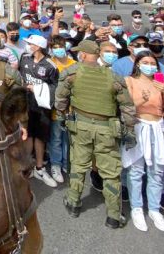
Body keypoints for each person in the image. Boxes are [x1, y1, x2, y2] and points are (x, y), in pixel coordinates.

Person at [55, 40, 137, 228]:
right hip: (107, 129)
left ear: (83, 55)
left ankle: (73, 202)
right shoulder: (113, 77)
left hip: (80, 127)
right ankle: (114, 215)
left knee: (78, 164)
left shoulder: (72, 73)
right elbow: (127, 107)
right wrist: (130, 130)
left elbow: (60, 99)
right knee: (110, 172)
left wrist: (61, 117)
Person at [123, 52, 164, 232]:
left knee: (157, 170)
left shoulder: (160, 80)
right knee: (136, 170)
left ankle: (154, 208)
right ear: (138, 64)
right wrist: (143, 98)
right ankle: (136, 208)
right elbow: (128, 105)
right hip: (139, 125)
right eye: (145, 62)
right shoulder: (129, 80)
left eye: (153, 63)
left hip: (158, 125)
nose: (150, 66)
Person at [19, 34, 59, 187]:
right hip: (26, 105)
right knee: (27, 134)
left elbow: (56, 87)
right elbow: (21, 77)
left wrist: (37, 89)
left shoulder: (50, 66)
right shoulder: (25, 59)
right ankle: (27, 165)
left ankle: (40, 167)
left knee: (40, 137)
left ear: (39, 46)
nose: (29, 46)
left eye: (31, 44)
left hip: (42, 107)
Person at [48, 34, 76, 184]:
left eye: (61, 46)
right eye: (55, 47)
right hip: (56, 109)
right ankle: (56, 165)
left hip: (71, 108)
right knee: (56, 137)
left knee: (68, 139)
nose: (58, 50)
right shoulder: (50, 64)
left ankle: (66, 163)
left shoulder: (74, 64)